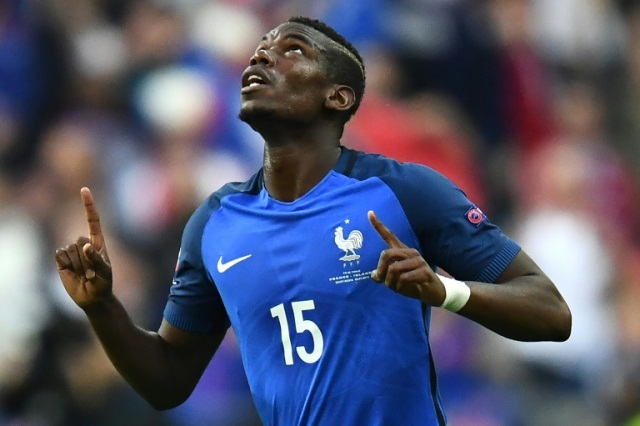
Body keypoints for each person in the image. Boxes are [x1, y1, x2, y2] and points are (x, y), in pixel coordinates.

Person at [54, 16, 572, 425]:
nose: (261, 55)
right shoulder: (214, 224)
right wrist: (103, 309)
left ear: (338, 97)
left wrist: (446, 291)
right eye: (260, 49)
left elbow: (551, 312)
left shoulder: (403, 190)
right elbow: (167, 380)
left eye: (292, 49)